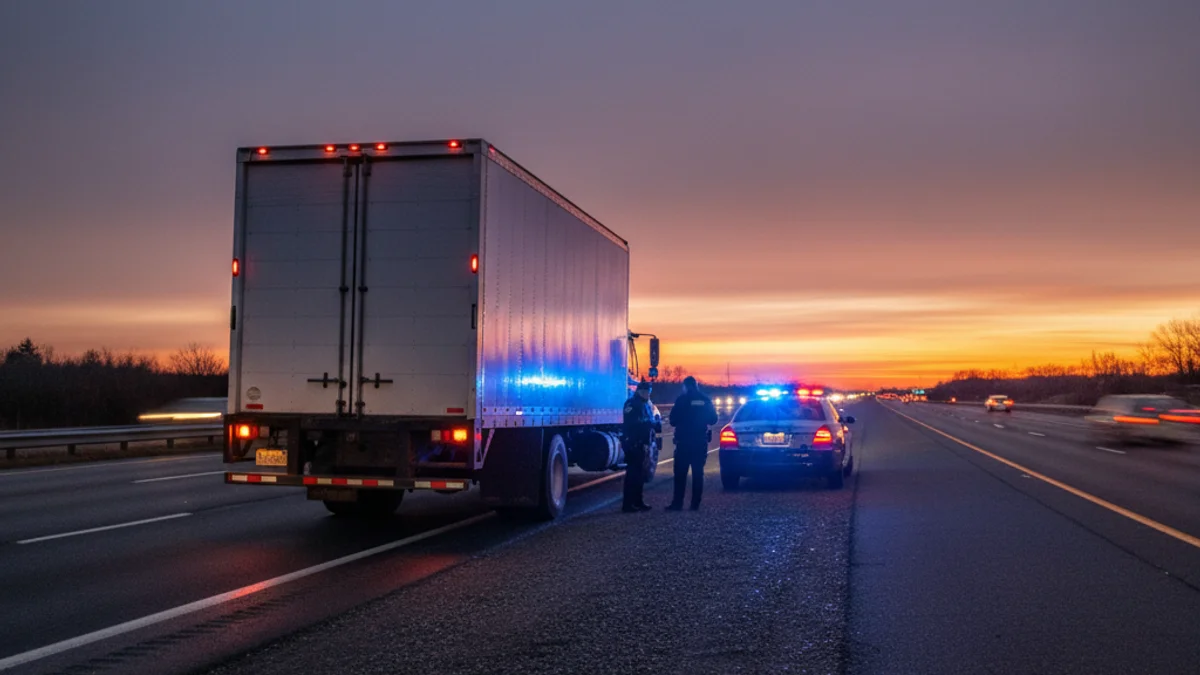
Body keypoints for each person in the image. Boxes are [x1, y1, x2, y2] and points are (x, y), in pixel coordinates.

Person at [667, 376, 717, 511]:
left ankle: (677, 503)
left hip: (683, 442)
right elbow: (713, 419)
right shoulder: (705, 399)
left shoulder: (681, 400)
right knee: (698, 474)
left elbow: (672, 420)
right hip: (700, 441)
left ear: (685, 386)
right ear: (696, 385)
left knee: (680, 475)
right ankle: (695, 504)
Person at [621, 380, 655, 513]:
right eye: (646, 392)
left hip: (642, 443)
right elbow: (632, 423)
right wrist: (648, 423)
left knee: (640, 474)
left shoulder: (645, 404)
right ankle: (628, 504)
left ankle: (638, 501)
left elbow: (649, 420)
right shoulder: (632, 404)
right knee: (632, 475)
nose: (648, 394)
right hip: (633, 443)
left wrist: (654, 424)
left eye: (649, 392)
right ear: (640, 391)